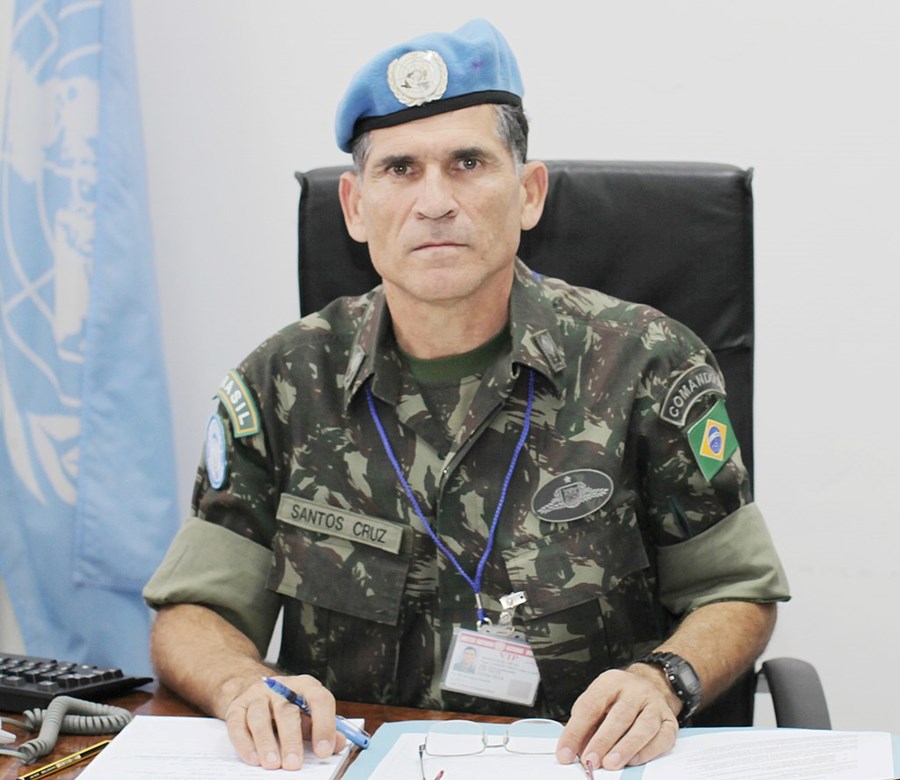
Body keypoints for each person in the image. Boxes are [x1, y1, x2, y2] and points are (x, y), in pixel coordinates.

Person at [144, 18, 790, 774]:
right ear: (355, 207)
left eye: (468, 163)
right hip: (352, 762)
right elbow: (195, 611)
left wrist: (664, 680)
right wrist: (241, 685)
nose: (435, 202)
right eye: (400, 169)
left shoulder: (647, 363)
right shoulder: (284, 380)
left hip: (582, 766)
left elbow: (736, 591)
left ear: (529, 193)